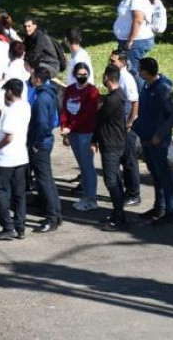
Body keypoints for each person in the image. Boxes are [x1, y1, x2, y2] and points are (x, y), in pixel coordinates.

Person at [133, 57, 173, 225]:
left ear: (146, 72)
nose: (138, 72)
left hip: (157, 141)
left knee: (164, 175)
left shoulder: (163, 89)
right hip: (147, 138)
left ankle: (171, 212)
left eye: (140, 69)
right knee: (155, 174)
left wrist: (159, 134)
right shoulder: (147, 86)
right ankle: (159, 207)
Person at [0, 79, 31, 240]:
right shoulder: (26, 105)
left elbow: (8, 136)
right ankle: (20, 226)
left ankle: (7, 226)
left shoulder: (10, 111)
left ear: (9, 92)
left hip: (6, 157)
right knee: (19, 192)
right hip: (20, 155)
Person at [61, 61, 99, 212]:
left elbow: (87, 114)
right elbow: (64, 109)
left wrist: (70, 127)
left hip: (85, 133)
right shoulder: (70, 90)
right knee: (82, 166)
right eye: (79, 74)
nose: (82, 77)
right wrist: (64, 126)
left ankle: (92, 199)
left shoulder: (92, 91)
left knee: (87, 166)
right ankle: (86, 196)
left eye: (85, 74)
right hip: (73, 133)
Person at [94, 67, 130, 230]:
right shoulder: (118, 96)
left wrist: (94, 140)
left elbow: (100, 119)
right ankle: (117, 213)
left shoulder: (112, 100)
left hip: (111, 145)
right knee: (115, 178)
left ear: (107, 78)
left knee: (111, 181)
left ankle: (119, 218)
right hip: (115, 142)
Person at [28, 66, 62, 232]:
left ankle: (52, 218)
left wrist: (35, 143)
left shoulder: (41, 99)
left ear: (38, 79)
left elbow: (41, 124)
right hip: (45, 142)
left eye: (33, 76)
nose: (31, 79)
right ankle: (56, 214)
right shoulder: (48, 94)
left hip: (40, 144)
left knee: (44, 181)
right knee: (47, 179)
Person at [114, 0, 157, 76]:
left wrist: (129, 42)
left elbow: (137, 21)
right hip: (128, 41)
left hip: (136, 42)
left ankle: (141, 92)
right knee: (127, 68)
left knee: (134, 70)